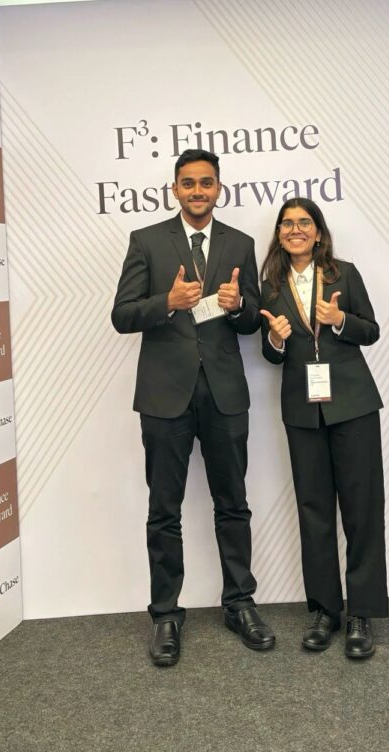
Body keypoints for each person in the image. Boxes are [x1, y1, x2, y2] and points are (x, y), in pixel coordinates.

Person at [111, 148, 275, 666]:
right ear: (175, 189)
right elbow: (121, 315)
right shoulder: (146, 241)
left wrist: (239, 306)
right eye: (189, 183)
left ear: (218, 188)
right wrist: (168, 303)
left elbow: (251, 319)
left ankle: (240, 603)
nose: (198, 191)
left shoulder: (239, 243)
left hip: (224, 393)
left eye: (206, 183)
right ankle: (165, 614)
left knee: (233, 503)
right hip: (165, 396)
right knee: (164, 509)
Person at [259, 198, 388, 658]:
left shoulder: (344, 275)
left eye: (304, 223)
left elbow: (370, 330)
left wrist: (340, 321)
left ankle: (361, 614)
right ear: (279, 235)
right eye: (287, 224)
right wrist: (275, 340)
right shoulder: (270, 286)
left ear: (318, 232)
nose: (295, 230)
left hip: (352, 405)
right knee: (313, 511)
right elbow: (270, 354)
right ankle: (325, 610)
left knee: (362, 510)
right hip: (302, 410)